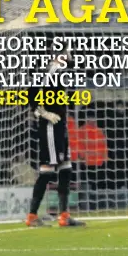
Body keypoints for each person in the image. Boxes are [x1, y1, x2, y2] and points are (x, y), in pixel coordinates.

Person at [25, 43, 85, 228]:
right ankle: (32, 216)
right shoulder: (49, 71)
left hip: (60, 126)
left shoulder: (61, 73)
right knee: (48, 171)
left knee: (66, 168)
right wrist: (43, 114)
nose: (71, 55)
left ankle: (64, 216)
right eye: (68, 52)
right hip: (50, 126)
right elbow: (31, 95)